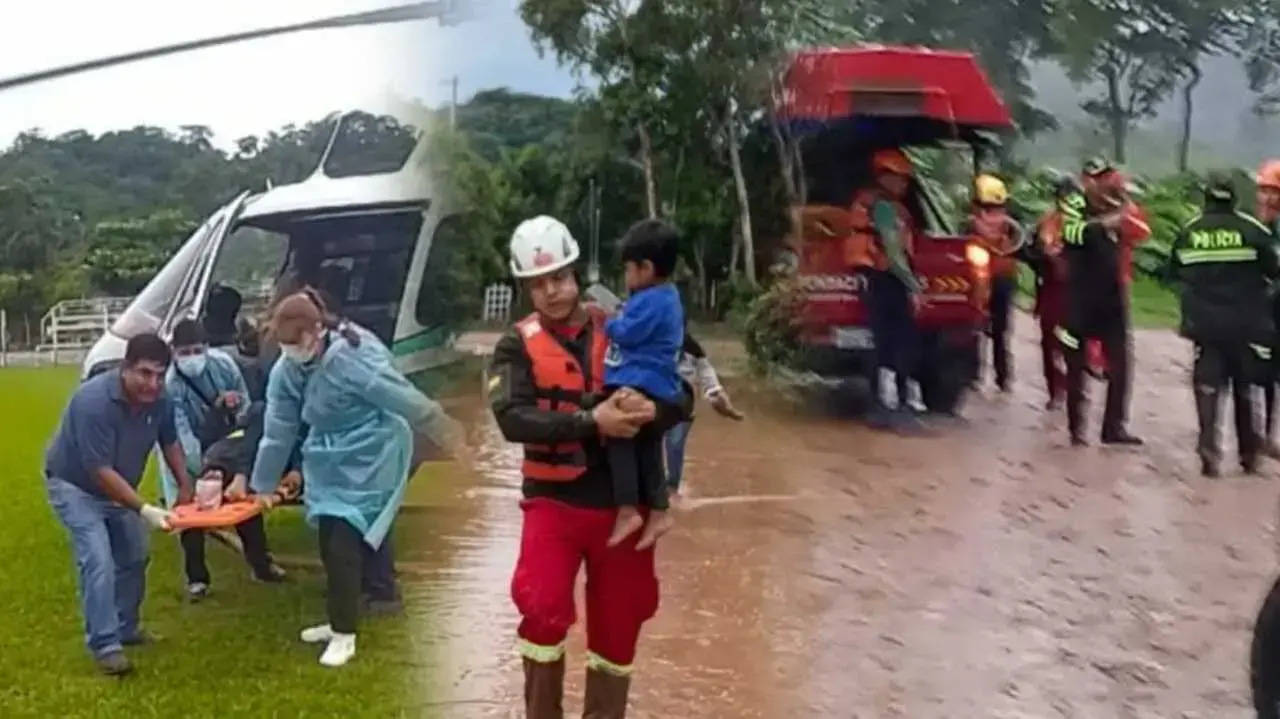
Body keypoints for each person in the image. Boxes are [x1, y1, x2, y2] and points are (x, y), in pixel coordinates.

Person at [492, 214, 678, 716]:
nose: (552, 291)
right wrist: (592, 420)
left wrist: (655, 411)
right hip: (553, 503)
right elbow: (512, 418)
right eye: (539, 284)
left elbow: (680, 394)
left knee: (621, 622)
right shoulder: (514, 345)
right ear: (527, 288)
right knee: (541, 608)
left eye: (559, 277)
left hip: (625, 506)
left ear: (575, 273)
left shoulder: (624, 324)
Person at [248, 288, 461, 668]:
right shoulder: (287, 370)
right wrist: (261, 486)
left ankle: (345, 634)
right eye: (284, 345)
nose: (290, 352)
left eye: (295, 344)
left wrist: (451, 435)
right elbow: (278, 428)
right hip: (329, 457)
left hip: (373, 452)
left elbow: (407, 400)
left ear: (316, 332)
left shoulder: (354, 358)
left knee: (343, 544)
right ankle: (338, 620)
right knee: (329, 538)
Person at [43, 333, 194, 675]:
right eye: (144, 373)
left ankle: (126, 628)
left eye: (160, 375)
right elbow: (99, 470)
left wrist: (185, 485)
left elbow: (170, 442)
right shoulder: (93, 401)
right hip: (75, 485)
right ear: (125, 367)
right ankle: (105, 644)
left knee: (136, 554)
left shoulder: (160, 399)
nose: (152, 384)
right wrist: (145, 509)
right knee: (98, 558)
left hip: (119, 487)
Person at [1165, 173, 1278, 476]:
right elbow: (1273, 269)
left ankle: (1209, 452)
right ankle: (1248, 455)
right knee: (1245, 387)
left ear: (1206, 197)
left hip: (1204, 326)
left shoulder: (1190, 230)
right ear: (1235, 198)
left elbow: (1172, 273)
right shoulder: (1252, 229)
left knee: (1207, 387)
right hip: (1245, 324)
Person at [601, 218, 689, 549]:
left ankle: (627, 509)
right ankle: (658, 510)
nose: (626, 277)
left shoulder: (652, 299)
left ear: (646, 268)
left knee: (619, 433)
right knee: (649, 446)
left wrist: (607, 322)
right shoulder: (666, 296)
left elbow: (627, 333)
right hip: (659, 383)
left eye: (628, 269)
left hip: (642, 380)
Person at [161, 319, 257, 599]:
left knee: (241, 500)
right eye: (184, 352)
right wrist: (203, 469)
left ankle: (260, 563)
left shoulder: (224, 365)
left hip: (224, 440)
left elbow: (246, 408)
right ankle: (197, 579)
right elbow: (181, 434)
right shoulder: (171, 384)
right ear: (174, 352)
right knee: (189, 509)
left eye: (196, 350)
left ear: (206, 347)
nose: (191, 357)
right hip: (185, 448)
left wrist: (234, 408)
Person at [1057, 164, 1144, 446]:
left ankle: (1114, 427)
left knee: (1121, 363)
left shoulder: (1122, 207)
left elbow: (1141, 233)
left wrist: (1126, 214)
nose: (1105, 187)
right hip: (1079, 297)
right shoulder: (1076, 204)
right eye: (1098, 180)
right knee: (1075, 364)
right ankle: (1076, 428)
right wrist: (1104, 224)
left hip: (1112, 297)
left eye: (1111, 183)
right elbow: (1071, 234)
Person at [846, 148, 928, 433]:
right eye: (899, 178)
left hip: (880, 278)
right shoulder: (883, 208)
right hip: (885, 278)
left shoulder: (877, 204)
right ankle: (890, 402)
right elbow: (893, 252)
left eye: (905, 179)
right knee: (896, 340)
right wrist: (913, 286)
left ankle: (888, 400)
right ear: (884, 178)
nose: (904, 184)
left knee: (888, 340)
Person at [666, 328, 744, 507]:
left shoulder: (692, 347)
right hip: (655, 400)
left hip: (682, 404)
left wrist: (715, 393)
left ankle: (672, 489)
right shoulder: (650, 341)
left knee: (675, 446)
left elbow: (706, 372)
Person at [964, 174, 1026, 392]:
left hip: (998, 277)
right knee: (980, 327)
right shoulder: (972, 224)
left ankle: (996, 377)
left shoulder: (1009, 225)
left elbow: (1019, 244)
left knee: (994, 329)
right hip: (983, 277)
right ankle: (982, 376)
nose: (995, 213)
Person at [1027, 175, 1082, 409]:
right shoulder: (1047, 221)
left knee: (1073, 343)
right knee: (1050, 344)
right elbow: (1034, 252)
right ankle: (1056, 392)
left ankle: (1073, 389)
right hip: (1051, 288)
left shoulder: (1085, 223)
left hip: (1075, 290)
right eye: (1063, 195)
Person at [1254, 160, 1280, 458]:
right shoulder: (1257, 227)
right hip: (1261, 312)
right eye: (1264, 191)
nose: (1267, 198)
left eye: (1274, 192)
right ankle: (1262, 434)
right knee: (1262, 374)